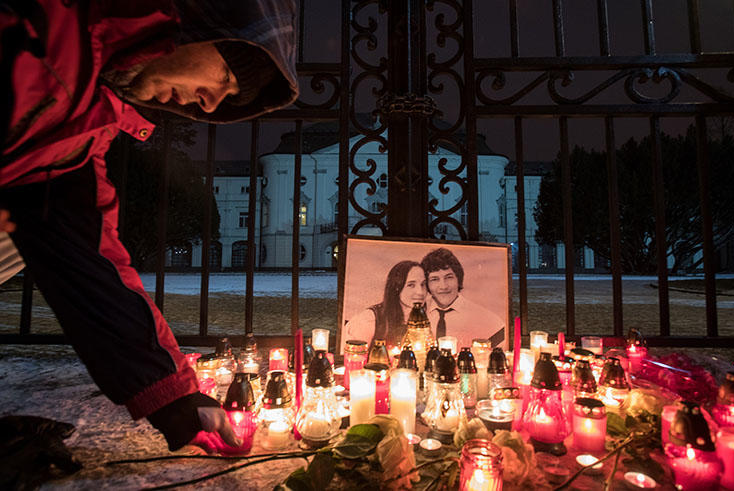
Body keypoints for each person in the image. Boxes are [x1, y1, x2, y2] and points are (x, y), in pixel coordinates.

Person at [0, 0, 298, 453]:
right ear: (204, 24)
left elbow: (89, 261)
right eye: (227, 79)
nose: (212, 102)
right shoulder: (51, 30)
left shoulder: (87, 120)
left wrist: (175, 400)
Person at [420, 247, 505, 350]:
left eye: (449, 277)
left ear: (458, 279)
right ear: (427, 284)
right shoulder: (417, 314)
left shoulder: (488, 320)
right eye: (434, 279)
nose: (443, 286)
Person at [344, 260, 427, 349]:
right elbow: (353, 357)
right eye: (411, 285)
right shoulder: (369, 319)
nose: (420, 292)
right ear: (396, 287)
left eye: (423, 284)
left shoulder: (426, 318)